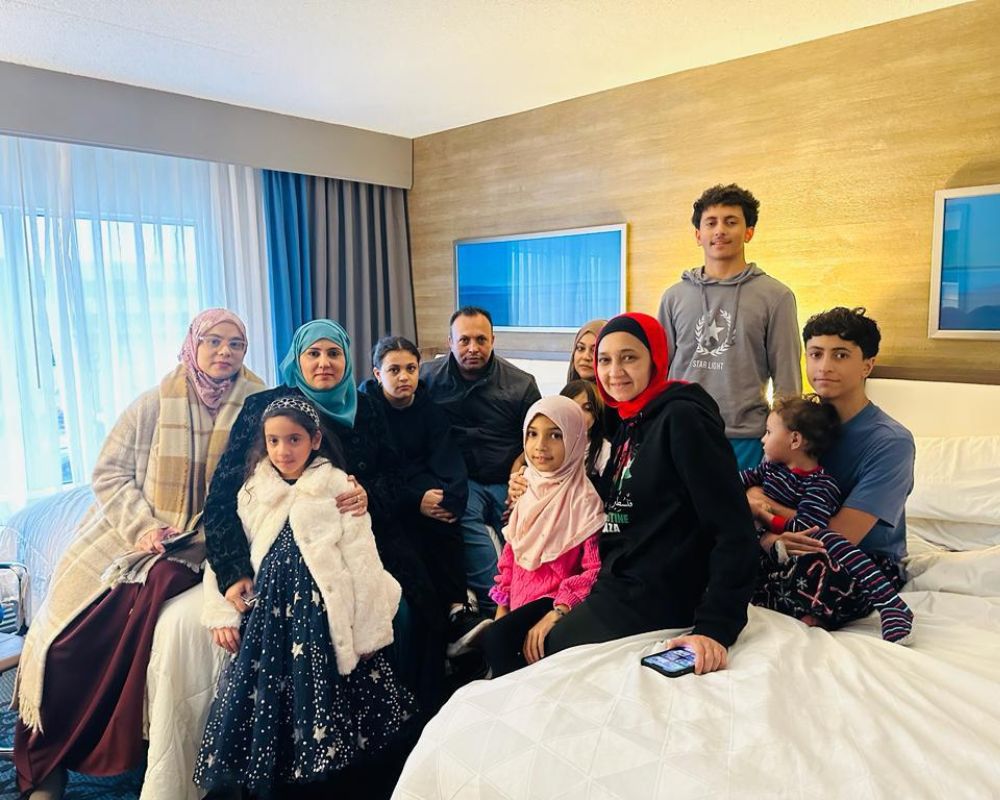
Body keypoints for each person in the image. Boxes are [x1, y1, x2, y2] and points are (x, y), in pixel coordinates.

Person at [14, 309, 265, 799]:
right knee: (61, 641)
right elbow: (108, 473)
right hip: (131, 534)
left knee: (160, 581)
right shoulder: (153, 403)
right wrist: (145, 527)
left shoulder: (256, 405)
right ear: (192, 344)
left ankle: (114, 738)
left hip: (202, 540)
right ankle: (44, 761)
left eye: (236, 344)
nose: (224, 352)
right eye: (214, 341)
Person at [202, 320, 438, 781]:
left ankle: (412, 743)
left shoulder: (366, 406)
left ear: (347, 359)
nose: (324, 363)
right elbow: (223, 496)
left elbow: (395, 476)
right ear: (297, 359)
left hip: (359, 524)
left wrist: (368, 493)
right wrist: (231, 572)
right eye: (313, 353)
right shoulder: (264, 408)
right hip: (277, 535)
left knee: (413, 609)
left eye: (334, 353)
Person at [544, 312, 759, 675]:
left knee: (548, 648)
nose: (614, 372)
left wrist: (714, 629)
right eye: (605, 360)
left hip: (658, 593)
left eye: (629, 357)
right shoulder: (630, 422)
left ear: (655, 359)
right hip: (617, 581)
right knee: (506, 638)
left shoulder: (683, 419)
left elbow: (734, 531)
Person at [745, 307, 916, 641]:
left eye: (840, 355)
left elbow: (840, 533)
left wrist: (766, 509)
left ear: (868, 365)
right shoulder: (794, 422)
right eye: (815, 354)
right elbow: (757, 485)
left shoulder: (890, 442)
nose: (824, 366)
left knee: (815, 573)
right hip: (781, 540)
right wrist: (768, 538)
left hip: (857, 558)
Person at [359, 336, 489, 664]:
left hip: (424, 485)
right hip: (390, 495)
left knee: (446, 517)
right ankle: (439, 630)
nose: (404, 377)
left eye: (411, 368)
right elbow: (375, 471)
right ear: (377, 374)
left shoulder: (428, 407)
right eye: (394, 370)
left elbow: (448, 456)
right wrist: (416, 500)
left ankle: (458, 608)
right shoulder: (367, 410)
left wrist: (451, 500)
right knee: (414, 538)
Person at [657, 184, 801, 469]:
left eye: (731, 222)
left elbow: (787, 380)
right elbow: (659, 370)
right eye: (711, 223)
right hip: (679, 431)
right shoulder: (674, 297)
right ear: (698, 235)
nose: (720, 230)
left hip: (745, 439)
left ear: (749, 232)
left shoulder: (776, 296)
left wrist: (782, 443)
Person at [421, 307, 541, 612]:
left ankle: (532, 600)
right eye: (464, 340)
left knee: (532, 520)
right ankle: (495, 605)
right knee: (457, 512)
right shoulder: (426, 379)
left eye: (481, 339)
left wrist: (519, 480)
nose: (473, 348)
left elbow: (536, 440)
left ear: (493, 340)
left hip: (506, 478)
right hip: (463, 482)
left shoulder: (521, 383)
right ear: (450, 342)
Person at [477, 396, 604, 677]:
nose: (540, 446)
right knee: (495, 640)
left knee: (498, 642)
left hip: (555, 602)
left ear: (574, 439)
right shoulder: (527, 490)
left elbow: (593, 571)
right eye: (532, 434)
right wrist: (502, 607)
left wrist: (559, 609)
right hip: (520, 601)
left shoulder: (584, 501)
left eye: (555, 435)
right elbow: (511, 557)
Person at [566, 319, 619, 437]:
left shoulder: (616, 405)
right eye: (580, 348)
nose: (586, 357)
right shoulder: (568, 393)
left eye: (594, 350)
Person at [559, 379, 611, 481]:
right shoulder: (550, 441)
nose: (579, 414)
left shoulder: (602, 449)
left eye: (587, 408)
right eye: (572, 407)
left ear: (596, 414)